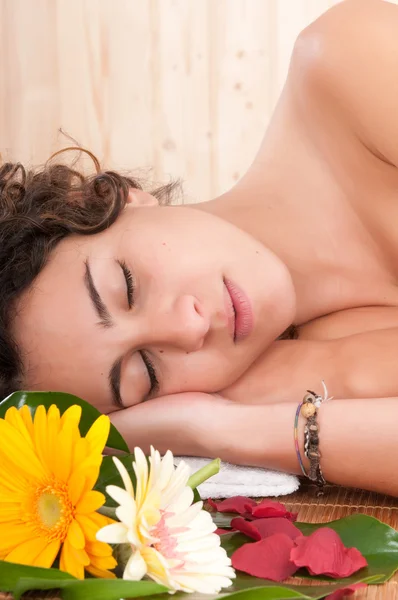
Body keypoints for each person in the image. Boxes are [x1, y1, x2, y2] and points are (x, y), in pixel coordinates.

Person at [2, 0, 398, 496]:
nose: (188, 326)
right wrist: (219, 428)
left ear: (114, 198)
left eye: (128, 286)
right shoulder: (313, 364)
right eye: (145, 373)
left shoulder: (351, 65)